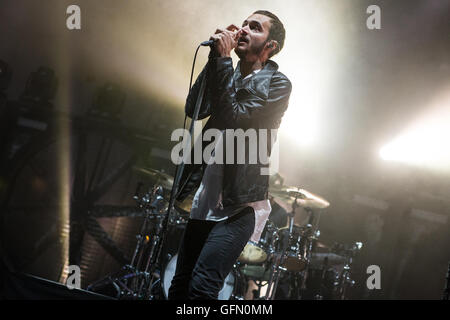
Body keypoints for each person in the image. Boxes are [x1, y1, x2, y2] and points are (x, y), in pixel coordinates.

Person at [168, 10, 292, 300]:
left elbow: (235, 117)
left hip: (238, 208)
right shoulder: (227, 71)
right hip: (204, 198)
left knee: (202, 288)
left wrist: (223, 62)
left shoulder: (278, 85)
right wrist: (215, 60)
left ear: (270, 46)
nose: (244, 30)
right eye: (244, 24)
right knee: (179, 285)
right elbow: (195, 110)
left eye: (255, 27)